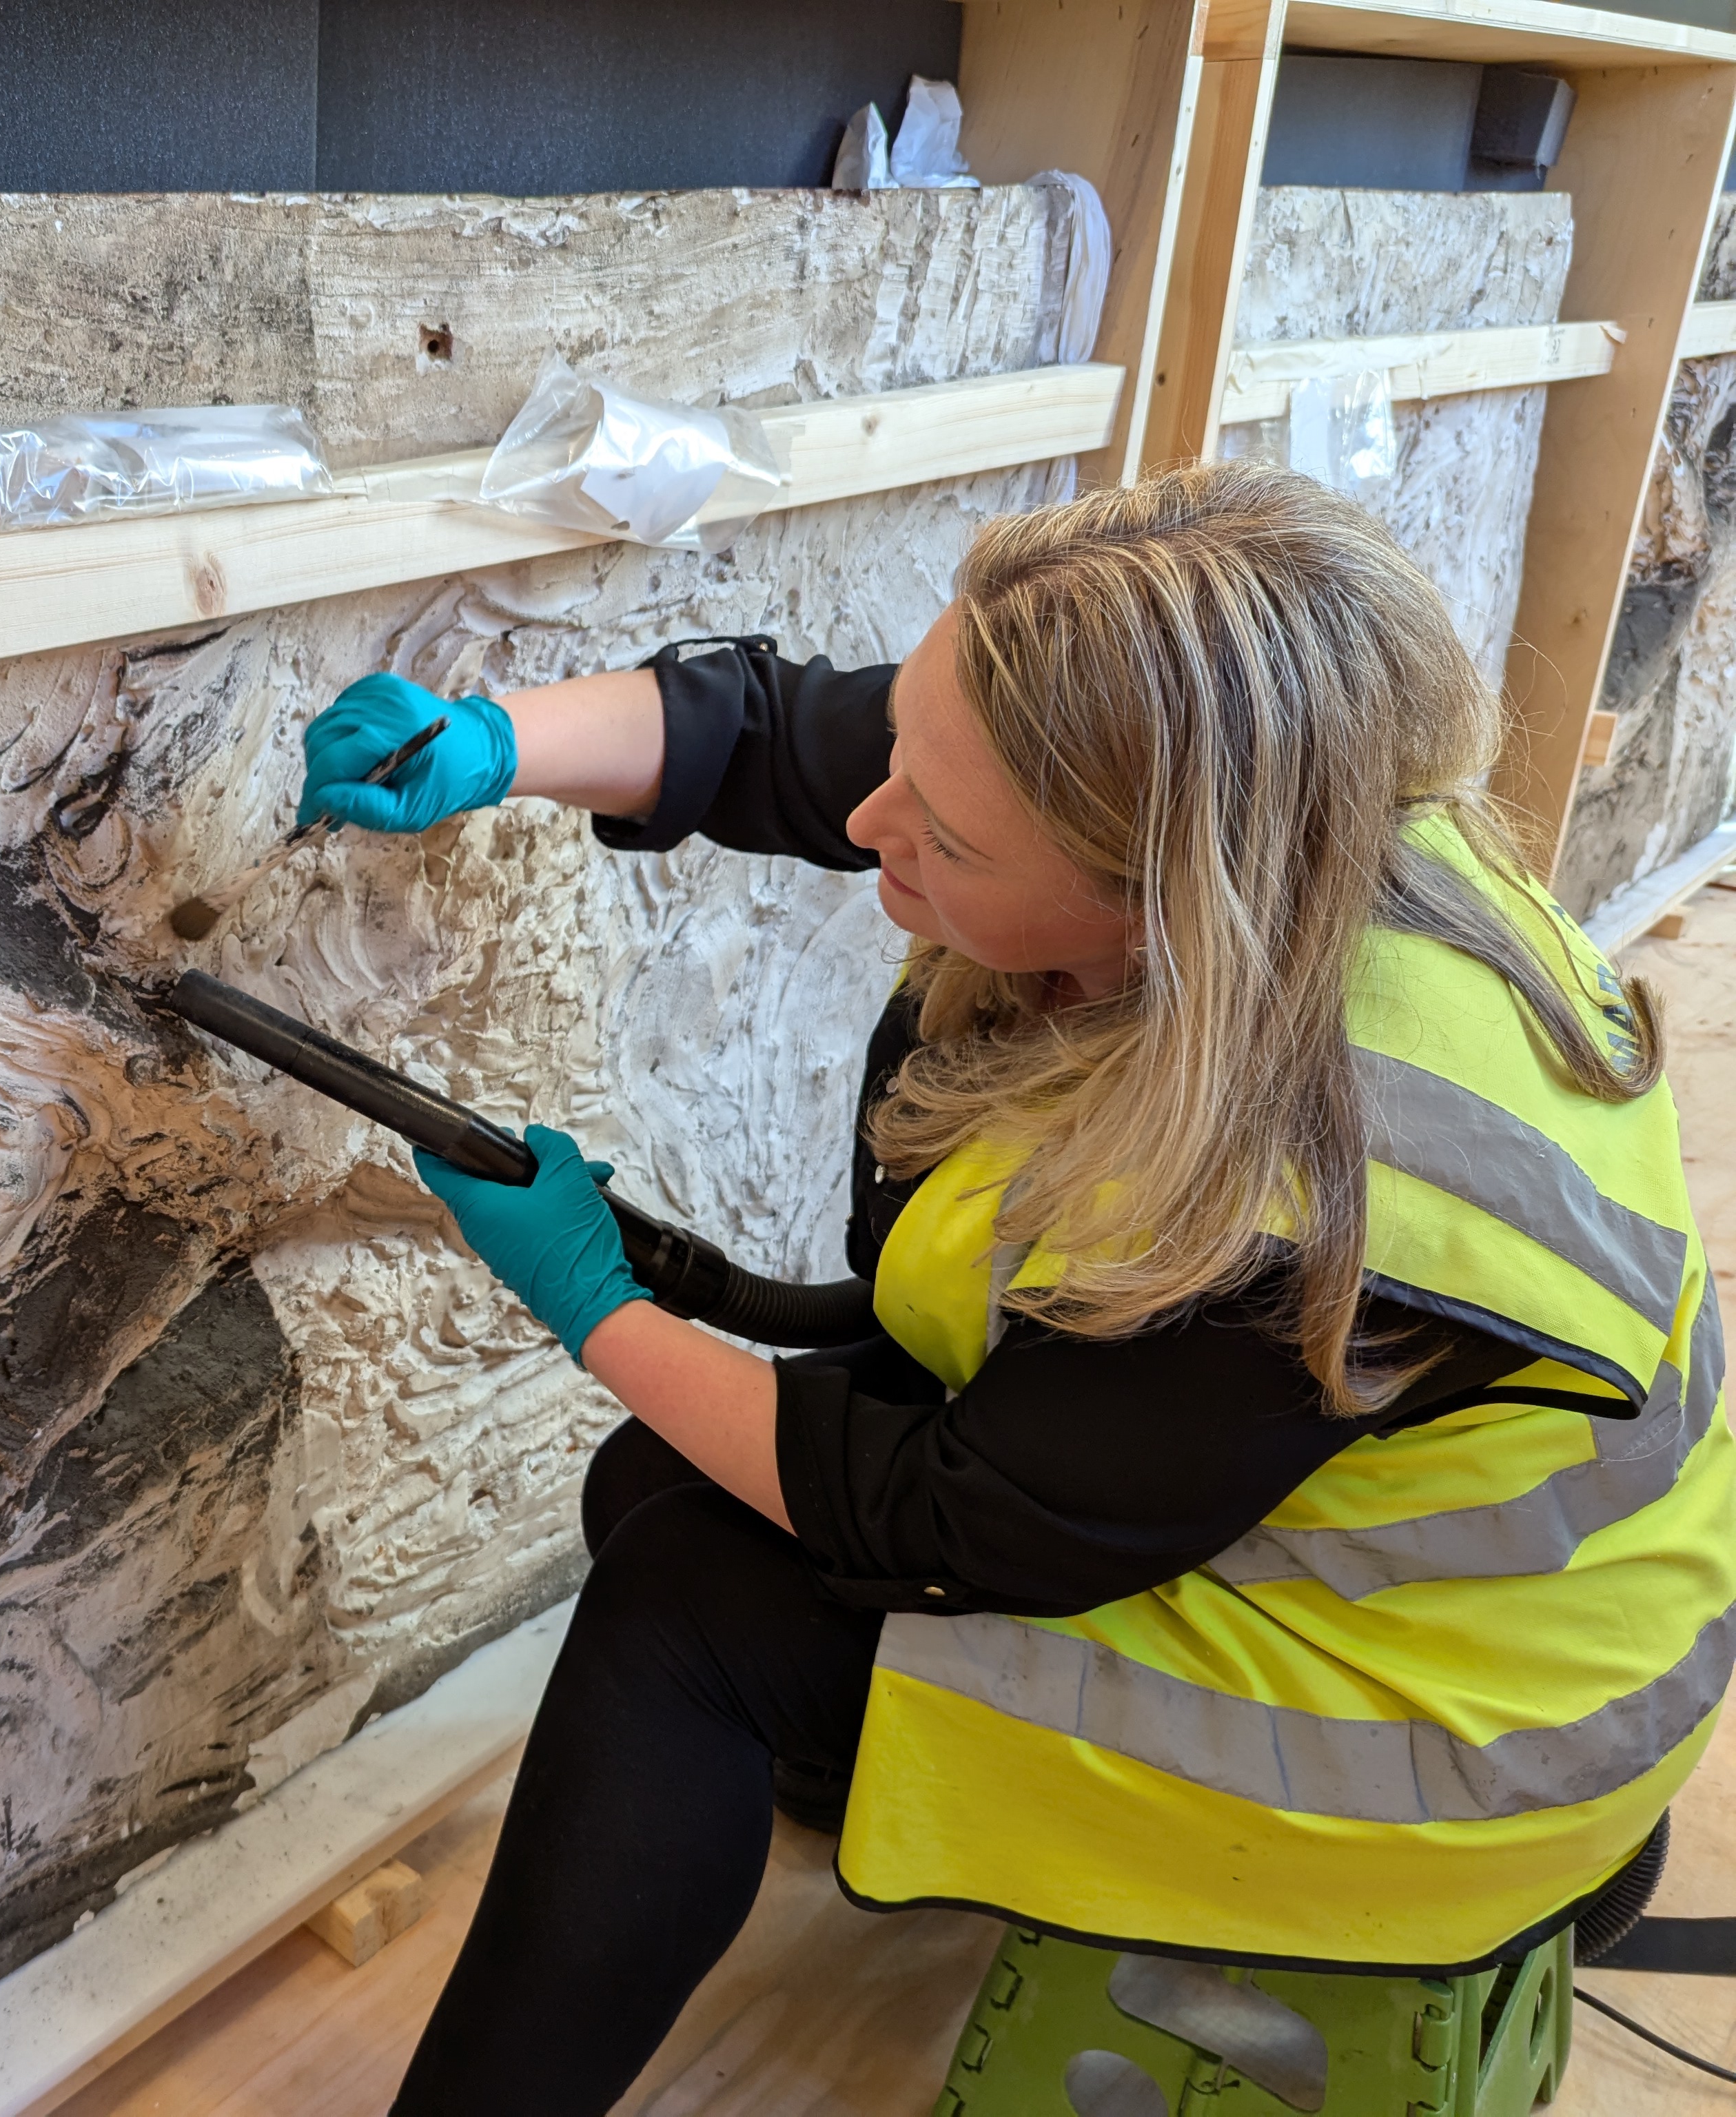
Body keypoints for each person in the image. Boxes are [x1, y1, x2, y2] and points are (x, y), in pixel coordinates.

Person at [289, 460, 1735, 2114]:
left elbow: (947, 1517)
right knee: (660, 1482)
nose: (870, 818)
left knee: (683, 1601)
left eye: (943, 832)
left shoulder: (1309, 1201)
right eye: (908, 747)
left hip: (1462, 1728)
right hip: (1354, 1526)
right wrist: (492, 745)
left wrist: (600, 1313)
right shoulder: (1249, 789)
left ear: (1158, 900)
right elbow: (783, 736)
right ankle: (866, 1774)